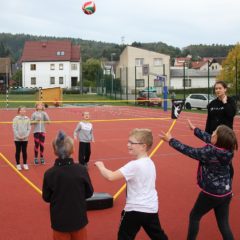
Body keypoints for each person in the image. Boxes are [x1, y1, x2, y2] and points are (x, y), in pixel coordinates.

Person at [160, 120, 238, 240]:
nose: (212, 133)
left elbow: (190, 151)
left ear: (218, 139)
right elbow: (210, 139)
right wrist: (195, 130)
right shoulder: (228, 150)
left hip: (211, 193)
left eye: (214, 132)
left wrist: (171, 140)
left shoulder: (210, 152)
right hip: (226, 192)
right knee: (224, 224)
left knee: (194, 216)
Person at [95, 128, 168, 240]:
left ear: (143, 146)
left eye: (132, 143)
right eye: (128, 142)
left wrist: (101, 166)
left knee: (124, 237)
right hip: (151, 208)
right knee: (158, 236)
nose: (128, 145)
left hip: (135, 209)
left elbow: (111, 176)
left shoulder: (134, 165)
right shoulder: (150, 162)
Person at [42, 131, 94, 240]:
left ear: (54, 151)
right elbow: (89, 193)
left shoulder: (50, 173)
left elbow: (46, 197)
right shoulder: (81, 170)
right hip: (79, 219)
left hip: (59, 221)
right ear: (73, 150)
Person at [205, 80, 236, 179]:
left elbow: (231, 114)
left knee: (227, 163)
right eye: (216, 89)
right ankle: (217, 181)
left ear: (225, 89)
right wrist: (206, 136)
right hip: (214, 137)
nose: (217, 90)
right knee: (213, 160)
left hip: (226, 137)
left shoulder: (230, 101)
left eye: (220, 88)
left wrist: (225, 102)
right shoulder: (212, 104)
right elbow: (209, 121)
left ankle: (228, 184)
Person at [12, 106, 31, 171]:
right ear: (19, 111)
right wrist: (18, 136)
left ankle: (25, 164)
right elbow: (14, 129)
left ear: (25, 111)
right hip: (17, 139)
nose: (23, 111)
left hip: (25, 139)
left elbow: (29, 128)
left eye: (24, 110)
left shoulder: (27, 119)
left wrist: (25, 136)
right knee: (18, 151)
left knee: (24, 151)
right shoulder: (15, 119)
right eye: (21, 110)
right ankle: (18, 164)